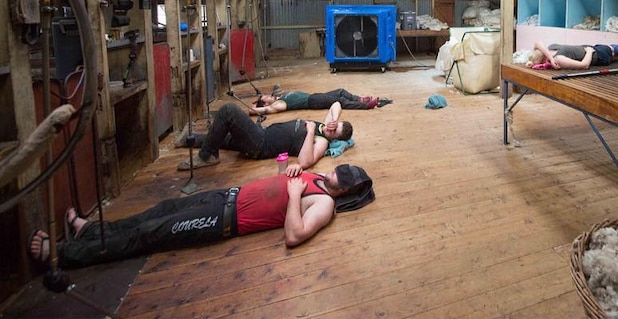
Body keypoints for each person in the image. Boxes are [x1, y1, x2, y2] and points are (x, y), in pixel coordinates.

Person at [29, 164, 374, 269]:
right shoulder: (316, 177)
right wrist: (290, 169)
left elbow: (294, 236)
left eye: (338, 179)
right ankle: (90, 230)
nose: (331, 174)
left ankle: (62, 257)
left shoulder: (324, 204)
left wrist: (297, 194)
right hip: (227, 195)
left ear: (342, 191)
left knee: (152, 232)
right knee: (159, 210)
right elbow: (281, 176)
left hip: (222, 220)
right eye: (336, 170)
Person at [176, 101, 353, 171]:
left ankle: (206, 157)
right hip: (262, 133)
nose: (331, 128)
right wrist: (334, 120)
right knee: (222, 138)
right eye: (334, 126)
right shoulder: (326, 125)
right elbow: (336, 104)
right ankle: (187, 140)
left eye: (334, 131)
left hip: (260, 144)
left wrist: (310, 132)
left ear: (335, 139)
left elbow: (305, 162)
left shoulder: (322, 141)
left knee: (228, 111)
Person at [526, 35, 618, 71]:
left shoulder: (551, 48)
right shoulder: (558, 59)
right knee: (611, 50)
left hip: (597, 55)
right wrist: (588, 51)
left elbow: (537, 42)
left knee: (616, 57)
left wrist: (548, 57)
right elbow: (584, 65)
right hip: (597, 54)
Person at [250, 88, 392, 116]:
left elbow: (277, 87)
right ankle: (365, 106)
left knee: (341, 91)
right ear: (267, 103)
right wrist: (255, 108)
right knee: (339, 100)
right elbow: (265, 111)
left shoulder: (279, 97)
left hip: (314, 96)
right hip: (313, 101)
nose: (267, 96)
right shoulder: (277, 105)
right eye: (265, 98)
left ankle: (358, 99)